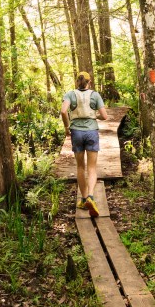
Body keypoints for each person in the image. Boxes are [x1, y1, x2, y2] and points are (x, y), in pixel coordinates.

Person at [61, 71, 108, 217]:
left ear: (77, 81)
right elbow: (105, 116)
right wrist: (95, 116)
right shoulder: (95, 95)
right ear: (90, 82)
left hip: (76, 132)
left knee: (80, 167)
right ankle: (91, 197)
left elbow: (63, 111)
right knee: (92, 168)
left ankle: (83, 199)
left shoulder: (70, 94)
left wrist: (67, 127)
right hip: (91, 132)